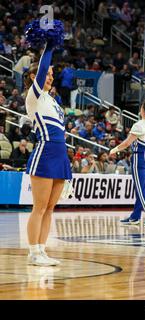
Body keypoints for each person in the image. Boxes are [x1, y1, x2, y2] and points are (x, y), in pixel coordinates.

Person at [24, 39, 72, 266]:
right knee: (39, 206)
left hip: (61, 155)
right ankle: (33, 251)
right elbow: (42, 68)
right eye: (48, 73)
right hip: (45, 152)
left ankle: (42, 250)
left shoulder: (53, 100)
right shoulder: (33, 97)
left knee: (51, 207)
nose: (51, 76)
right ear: (34, 77)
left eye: (53, 74)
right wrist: (49, 48)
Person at [111, 80, 145, 227]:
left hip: (139, 159)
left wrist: (114, 150)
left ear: (142, 110)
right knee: (141, 189)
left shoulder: (139, 125)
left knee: (140, 190)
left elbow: (127, 143)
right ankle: (134, 217)